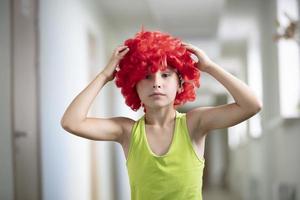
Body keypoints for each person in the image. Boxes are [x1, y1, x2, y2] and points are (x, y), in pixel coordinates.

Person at [60, 29, 262, 200]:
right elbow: (71, 122)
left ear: (180, 83)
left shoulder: (195, 124)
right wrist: (104, 75)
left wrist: (209, 67)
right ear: (134, 86)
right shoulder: (127, 131)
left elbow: (251, 105)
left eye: (166, 75)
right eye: (147, 76)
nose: (157, 83)